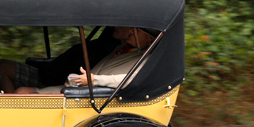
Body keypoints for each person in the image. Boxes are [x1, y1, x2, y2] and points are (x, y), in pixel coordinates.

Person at [14, 26, 157, 94]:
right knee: (21, 91)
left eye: (137, 31)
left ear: (150, 39)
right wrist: (76, 80)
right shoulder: (121, 49)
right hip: (79, 91)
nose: (131, 32)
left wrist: (93, 80)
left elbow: (130, 80)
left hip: (86, 99)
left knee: (22, 94)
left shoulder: (146, 59)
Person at [0, 27, 116, 93]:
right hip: (46, 73)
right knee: (2, 66)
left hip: (56, 81)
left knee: (21, 92)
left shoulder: (103, 52)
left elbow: (78, 74)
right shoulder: (94, 46)